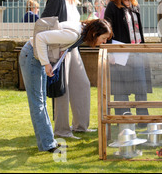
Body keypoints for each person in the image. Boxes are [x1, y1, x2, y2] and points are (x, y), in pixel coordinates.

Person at [19, 19, 112, 152]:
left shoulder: (80, 33)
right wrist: (46, 64)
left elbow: (56, 41)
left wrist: (61, 51)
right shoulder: (74, 34)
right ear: (94, 33)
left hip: (37, 56)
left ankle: (48, 142)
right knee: (37, 103)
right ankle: (47, 144)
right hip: (32, 57)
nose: (104, 42)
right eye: (103, 38)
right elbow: (40, 37)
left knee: (41, 103)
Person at [40, 0, 93, 139]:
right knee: (62, 90)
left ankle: (80, 126)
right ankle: (62, 130)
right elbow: (44, 24)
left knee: (83, 84)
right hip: (59, 51)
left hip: (72, 49)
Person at [104, 0, 151, 117]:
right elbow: (107, 30)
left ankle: (142, 117)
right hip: (120, 54)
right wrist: (110, 51)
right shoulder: (112, 6)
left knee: (140, 87)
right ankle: (124, 117)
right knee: (121, 88)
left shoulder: (135, 6)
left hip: (137, 52)